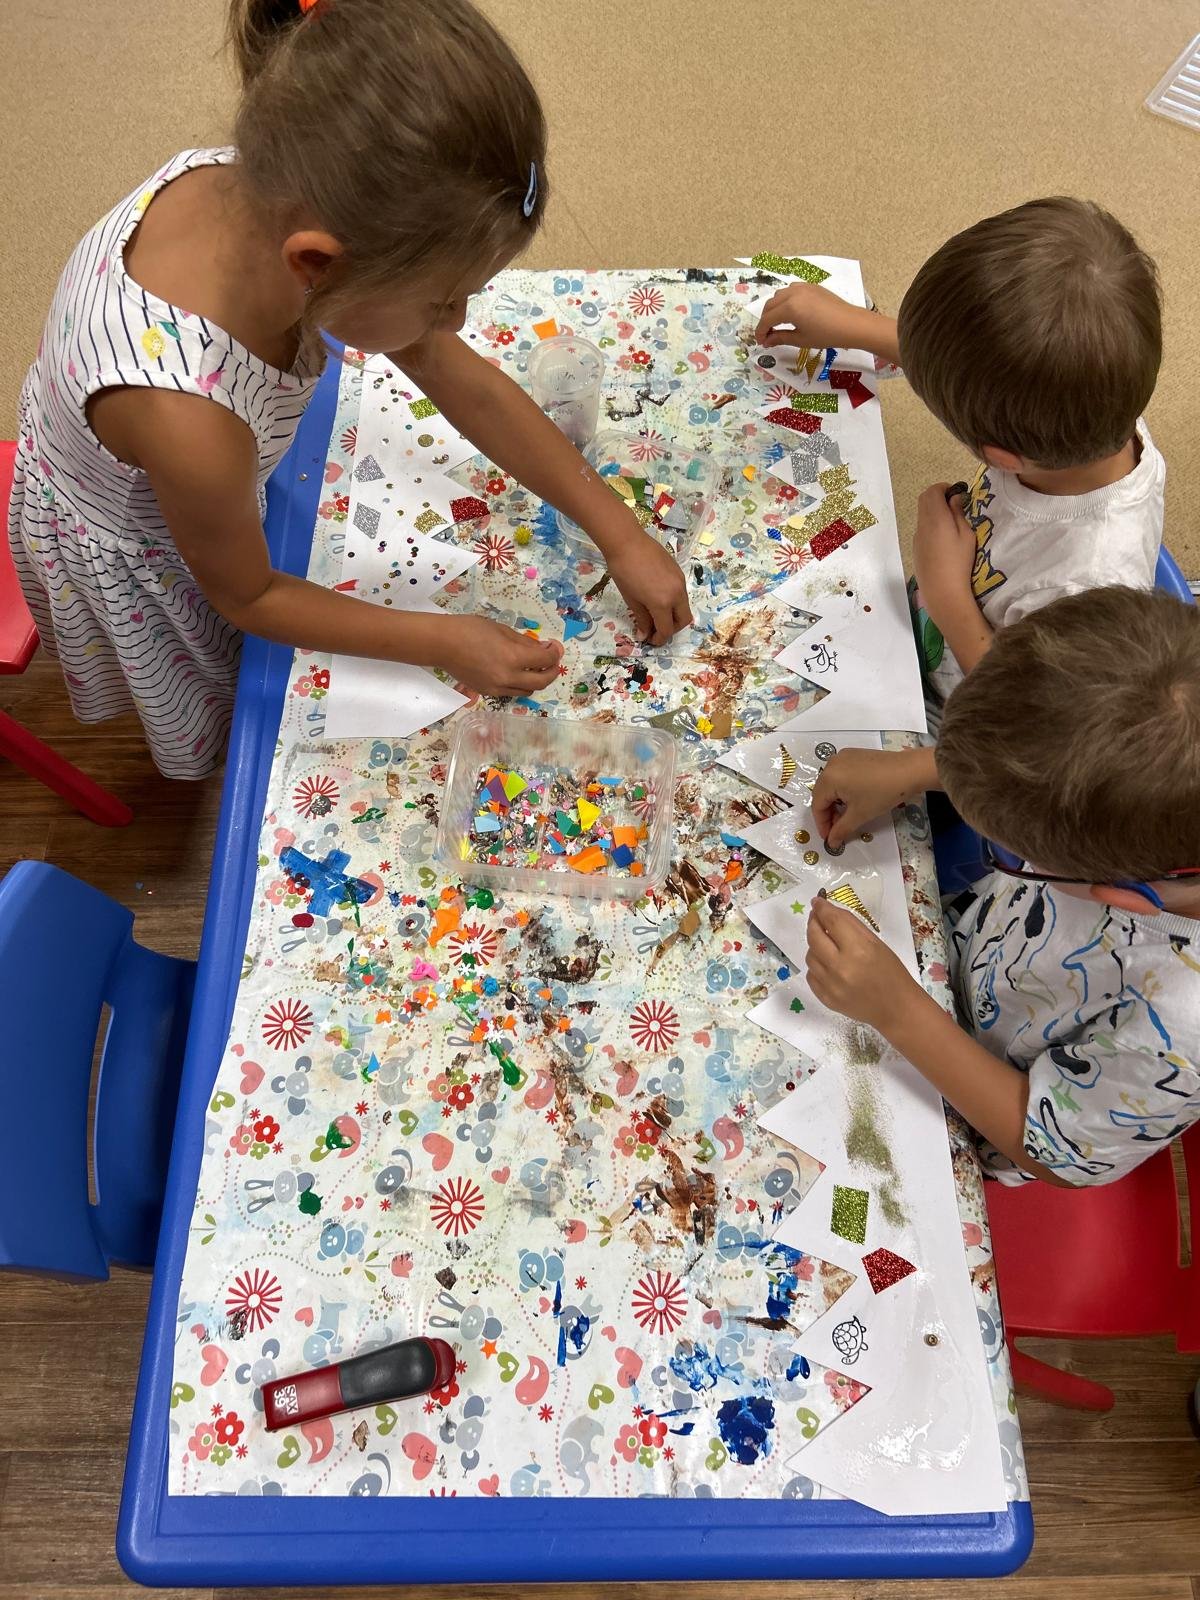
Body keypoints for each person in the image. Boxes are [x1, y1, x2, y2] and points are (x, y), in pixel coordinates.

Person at [8, 0, 690, 779]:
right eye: (442, 301)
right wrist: (445, 638)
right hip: (141, 550)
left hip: (205, 479)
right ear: (317, 265)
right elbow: (248, 596)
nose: (458, 322)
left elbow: (457, 377)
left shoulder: (286, 184)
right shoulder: (190, 423)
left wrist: (620, 533)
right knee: (228, 710)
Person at [802, 587, 1200, 1187]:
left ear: (1120, 897)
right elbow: (1069, 759)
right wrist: (922, 769)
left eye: (1013, 854)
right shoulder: (1153, 813)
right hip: (959, 961)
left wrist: (898, 1011)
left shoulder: (1182, 1030)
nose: (1013, 858)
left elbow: (1052, 1153)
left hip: (970, 1109)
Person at [756, 199, 1165, 705]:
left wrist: (946, 593)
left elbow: (1031, 714)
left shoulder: (1081, 587)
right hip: (942, 592)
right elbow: (989, 364)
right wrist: (853, 325)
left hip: (962, 702)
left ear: (1003, 458)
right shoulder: (1097, 400)